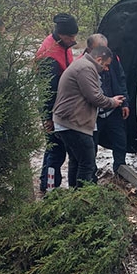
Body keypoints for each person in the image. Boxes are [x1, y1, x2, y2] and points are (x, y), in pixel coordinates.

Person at [52, 45, 125, 188]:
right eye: (105, 65)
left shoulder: (81, 64)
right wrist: (113, 102)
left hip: (65, 122)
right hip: (73, 124)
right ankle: (83, 199)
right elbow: (95, 97)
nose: (106, 69)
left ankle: (74, 195)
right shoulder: (86, 68)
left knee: (76, 161)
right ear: (98, 59)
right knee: (87, 164)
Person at [35, 13, 79, 193]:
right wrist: (48, 118)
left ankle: (45, 181)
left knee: (53, 147)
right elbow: (47, 92)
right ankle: (50, 188)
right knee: (56, 150)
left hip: (60, 108)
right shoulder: (49, 56)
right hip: (53, 110)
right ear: (62, 35)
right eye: (71, 36)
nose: (73, 40)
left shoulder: (62, 45)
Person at [81, 34, 130, 175]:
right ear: (90, 49)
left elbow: (121, 80)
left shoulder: (112, 59)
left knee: (120, 141)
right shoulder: (82, 64)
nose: (104, 54)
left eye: (105, 49)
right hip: (94, 113)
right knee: (91, 147)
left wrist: (125, 102)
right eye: (99, 50)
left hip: (114, 109)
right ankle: (91, 177)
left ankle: (120, 172)